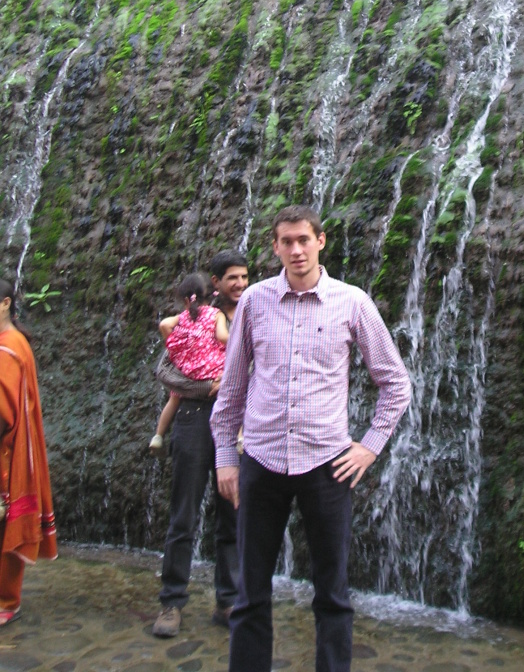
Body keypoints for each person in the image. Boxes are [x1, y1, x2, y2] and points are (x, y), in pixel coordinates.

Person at [211, 205, 411, 672]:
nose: (296, 249)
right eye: (287, 241)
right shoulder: (255, 301)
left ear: (321, 241)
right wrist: (225, 457)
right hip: (261, 461)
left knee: (333, 594)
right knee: (250, 593)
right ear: (275, 247)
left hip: (327, 465)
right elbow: (233, 385)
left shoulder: (352, 302)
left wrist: (370, 446)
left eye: (304, 239)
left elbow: (396, 382)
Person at [153, 250, 249, 638]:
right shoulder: (196, 317)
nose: (239, 284)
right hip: (194, 417)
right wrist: (206, 386)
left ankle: (228, 601)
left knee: (232, 515)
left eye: (244, 277)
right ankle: (171, 602)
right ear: (215, 283)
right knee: (184, 514)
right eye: (232, 278)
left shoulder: (255, 314)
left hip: (239, 423)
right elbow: (165, 370)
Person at [0, 278, 57, 625]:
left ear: (6, 303)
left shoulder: (8, 347)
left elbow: (3, 411)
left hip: (6, 452)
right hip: (12, 448)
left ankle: (6, 601)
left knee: (5, 521)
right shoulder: (13, 342)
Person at [150, 272, 229, 455]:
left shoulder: (183, 317)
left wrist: (177, 346)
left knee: (174, 398)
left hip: (186, 370)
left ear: (187, 300)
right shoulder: (215, 314)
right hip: (209, 370)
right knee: (229, 394)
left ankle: (158, 436)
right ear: (212, 295)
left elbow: (164, 324)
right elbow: (222, 336)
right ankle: (240, 437)